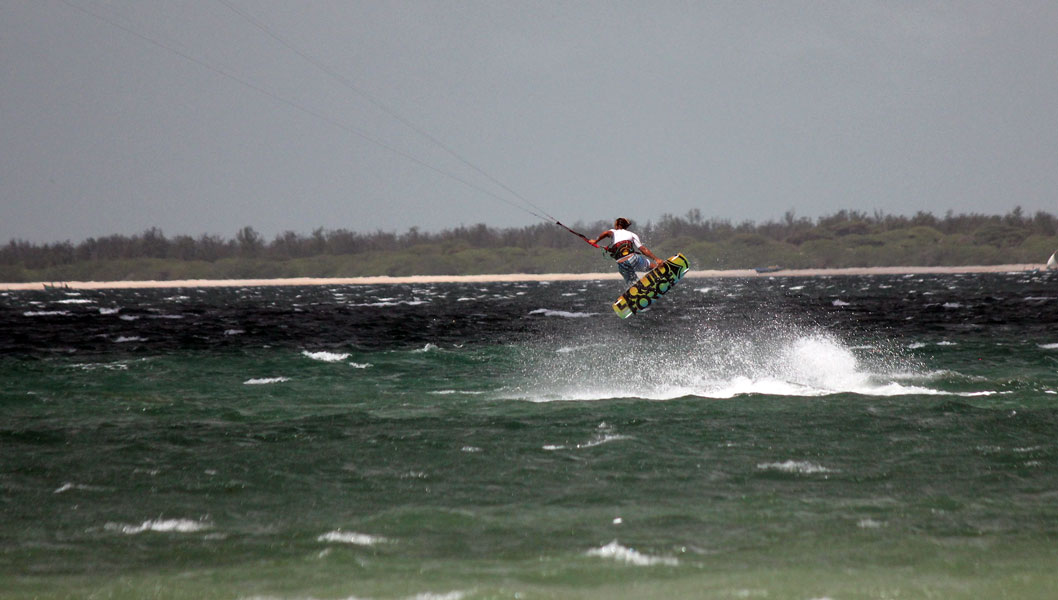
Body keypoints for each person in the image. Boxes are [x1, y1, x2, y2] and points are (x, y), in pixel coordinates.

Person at [589, 217, 665, 285]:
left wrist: (596, 241)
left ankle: (636, 289)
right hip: (633, 259)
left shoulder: (613, 232)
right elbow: (642, 249)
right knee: (649, 266)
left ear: (616, 226)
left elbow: (606, 233)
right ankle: (663, 270)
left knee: (632, 283)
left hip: (621, 263)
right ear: (626, 226)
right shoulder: (632, 234)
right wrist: (656, 259)